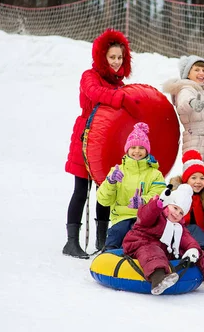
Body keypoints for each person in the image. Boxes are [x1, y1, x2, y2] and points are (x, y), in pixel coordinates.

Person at [63, 29, 142, 259]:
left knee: (105, 191)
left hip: (107, 144)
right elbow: (96, 93)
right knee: (81, 191)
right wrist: (122, 98)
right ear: (102, 57)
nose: (116, 62)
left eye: (120, 58)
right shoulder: (89, 76)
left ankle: (102, 240)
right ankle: (71, 242)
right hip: (85, 140)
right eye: (112, 57)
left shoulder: (120, 84)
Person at [122, 184, 204, 295]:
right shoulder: (157, 214)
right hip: (140, 243)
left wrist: (193, 250)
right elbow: (145, 216)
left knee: (199, 253)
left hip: (166, 250)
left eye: (181, 212)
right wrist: (157, 205)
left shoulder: (179, 227)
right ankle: (158, 279)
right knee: (152, 251)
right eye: (175, 208)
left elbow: (188, 239)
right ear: (168, 205)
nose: (176, 214)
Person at [97, 122, 167, 251]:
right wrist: (110, 182)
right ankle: (109, 254)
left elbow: (160, 195)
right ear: (127, 149)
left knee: (140, 237)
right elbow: (103, 200)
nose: (137, 151)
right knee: (118, 233)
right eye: (133, 147)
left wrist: (143, 201)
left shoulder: (155, 174)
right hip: (121, 217)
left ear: (147, 150)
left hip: (144, 219)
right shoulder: (117, 171)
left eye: (141, 148)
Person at [162, 55, 204, 166]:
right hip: (195, 139)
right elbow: (182, 105)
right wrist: (192, 103)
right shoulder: (186, 89)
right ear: (188, 73)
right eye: (197, 70)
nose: (201, 73)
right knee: (195, 171)